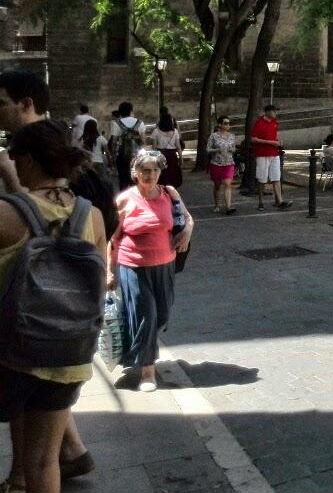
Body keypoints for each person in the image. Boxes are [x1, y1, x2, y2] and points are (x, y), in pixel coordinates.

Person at [0, 72, 104, 485]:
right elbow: (99, 280)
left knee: (26, 454)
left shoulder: (7, 213)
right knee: (46, 462)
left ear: (27, 161)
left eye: (14, 158)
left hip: (16, 351)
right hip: (70, 352)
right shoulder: (93, 215)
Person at [109, 150, 193, 393]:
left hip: (165, 265)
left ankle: (141, 346)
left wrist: (187, 232)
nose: (151, 174)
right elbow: (112, 239)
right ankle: (148, 372)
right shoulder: (125, 200)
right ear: (135, 173)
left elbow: (188, 219)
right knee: (147, 316)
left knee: (161, 315)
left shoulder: (169, 193)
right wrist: (109, 272)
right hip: (133, 267)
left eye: (155, 170)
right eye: (145, 170)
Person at [250, 105, 291, 210]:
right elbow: (253, 139)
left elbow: (276, 134)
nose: (276, 113)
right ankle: (260, 202)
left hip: (274, 153)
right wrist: (271, 142)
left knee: (276, 177)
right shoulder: (259, 123)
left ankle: (280, 201)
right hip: (262, 154)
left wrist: (279, 141)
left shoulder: (275, 122)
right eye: (274, 111)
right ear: (267, 112)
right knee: (262, 178)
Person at [109, 102, 147, 191]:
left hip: (122, 156)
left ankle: (124, 197)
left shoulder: (116, 123)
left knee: (123, 181)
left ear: (120, 112)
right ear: (131, 111)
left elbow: (114, 142)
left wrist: (113, 157)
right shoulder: (140, 123)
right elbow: (143, 142)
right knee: (137, 180)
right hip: (137, 157)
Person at [206, 115, 237, 215]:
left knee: (228, 184)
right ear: (219, 125)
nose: (228, 125)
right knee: (217, 185)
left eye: (229, 123)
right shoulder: (213, 136)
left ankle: (228, 207)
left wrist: (232, 150)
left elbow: (234, 148)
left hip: (229, 163)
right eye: (225, 123)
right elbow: (208, 149)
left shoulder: (232, 136)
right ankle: (217, 205)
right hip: (216, 164)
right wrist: (217, 150)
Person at [150, 110, 183, 188]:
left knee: (162, 176)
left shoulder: (156, 131)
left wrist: (152, 159)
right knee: (172, 175)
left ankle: (162, 191)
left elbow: (153, 147)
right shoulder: (175, 132)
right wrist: (181, 158)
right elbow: (178, 147)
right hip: (172, 156)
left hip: (160, 155)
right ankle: (171, 191)